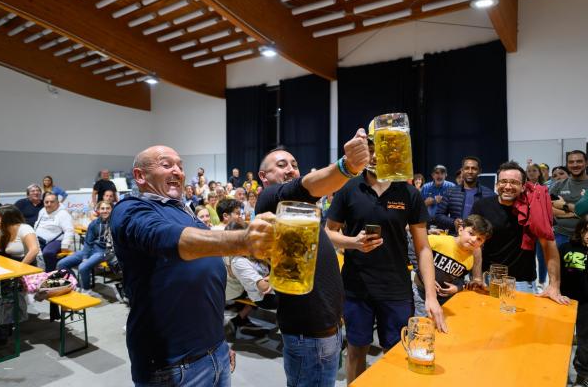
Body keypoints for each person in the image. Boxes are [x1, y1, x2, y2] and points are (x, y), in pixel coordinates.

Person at [109, 145, 275, 385]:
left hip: (214, 350)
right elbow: (165, 237)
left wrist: (218, 344)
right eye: (166, 165)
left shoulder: (183, 210)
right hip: (173, 365)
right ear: (140, 176)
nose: (177, 171)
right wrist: (243, 241)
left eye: (180, 165)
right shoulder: (130, 209)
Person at [325, 122, 447, 385]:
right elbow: (328, 232)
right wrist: (353, 242)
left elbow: (423, 247)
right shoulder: (349, 188)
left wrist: (431, 296)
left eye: (382, 149)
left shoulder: (408, 193)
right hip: (356, 287)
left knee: (395, 352)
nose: (375, 155)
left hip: (396, 288)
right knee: (356, 350)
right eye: (371, 149)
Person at [256, 128, 371, 387]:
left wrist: (352, 242)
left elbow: (322, 235)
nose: (291, 169)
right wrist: (347, 166)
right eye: (281, 165)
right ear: (264, 176)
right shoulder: (270, 198)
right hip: (308, 332)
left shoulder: (298, 212)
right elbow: (306, 186)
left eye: (294, 164)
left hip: (325, 326)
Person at [469, 161, 568, 303]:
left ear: (523, 186)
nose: (507, 187)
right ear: (497, 185)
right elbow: (475, 245)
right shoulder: (482, 206)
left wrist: (554, 286)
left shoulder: (535, 206)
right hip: (489, 280)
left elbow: (548, 245)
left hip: (522, 283)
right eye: (503, 181)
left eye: (514, 182)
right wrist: (477, 277)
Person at [412, 215, 492, 316]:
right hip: (422, 291)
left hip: (444, 296)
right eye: (471, 233)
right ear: (460, 230)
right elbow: (415, 248)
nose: (473, 239)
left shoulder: (470, 259)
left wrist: (457, 288)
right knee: (423, 319)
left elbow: (460, 279)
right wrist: (424, 276)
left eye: (479, 239)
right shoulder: (438, 241)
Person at [57, 201, 112, 294]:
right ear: (98, 210)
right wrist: (85, 257)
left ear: (112, 210)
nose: (105, 211)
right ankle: (75, 285)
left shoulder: (115, 223)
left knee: (82, 267)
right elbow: (88, 242)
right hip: (91, 250)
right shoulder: (94, 224)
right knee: (61, 264)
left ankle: (86, 290)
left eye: (108, 208)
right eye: (102, 208)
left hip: (104, 252)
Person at [559, 216, 588, 387]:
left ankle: (582, 375)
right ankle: (558, 372)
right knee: (560, 339)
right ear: (580, 230)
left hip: (586, 303)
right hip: (565, 299)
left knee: (585, 342)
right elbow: (556, 273)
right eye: (586, 230)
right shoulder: (565, 247)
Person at [435, 156, 496, 235]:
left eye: (474, 168)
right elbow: (438, 216)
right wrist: (453, 222)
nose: (470, 171)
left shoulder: (489, 194)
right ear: (462, 170)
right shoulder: (450, 192)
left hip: (478, 239)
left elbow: (492, 221)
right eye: (467, 168)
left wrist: (479, 227)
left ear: (479, 171)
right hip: (455, 238)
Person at [550, 150, 588, 246]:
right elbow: (549, 209)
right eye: (571, 162)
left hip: (585, 236)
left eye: (579, 161)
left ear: (586, 163)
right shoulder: (558, 185)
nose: (575, 165)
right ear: (567, 165)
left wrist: (564, 206)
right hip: (560, 234)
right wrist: (576, 213)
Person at [34, 192, 74, 272]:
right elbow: (37, 225)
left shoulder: (63, 214)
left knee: (48, 253)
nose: (49, 204)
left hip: (56, 241)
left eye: (52, 202)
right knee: (29, 250)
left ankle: (50, 273)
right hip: (39, 239)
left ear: (57, 203)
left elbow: (69, 230)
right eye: (46, 202)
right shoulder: (42, 211)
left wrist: (65, 245)